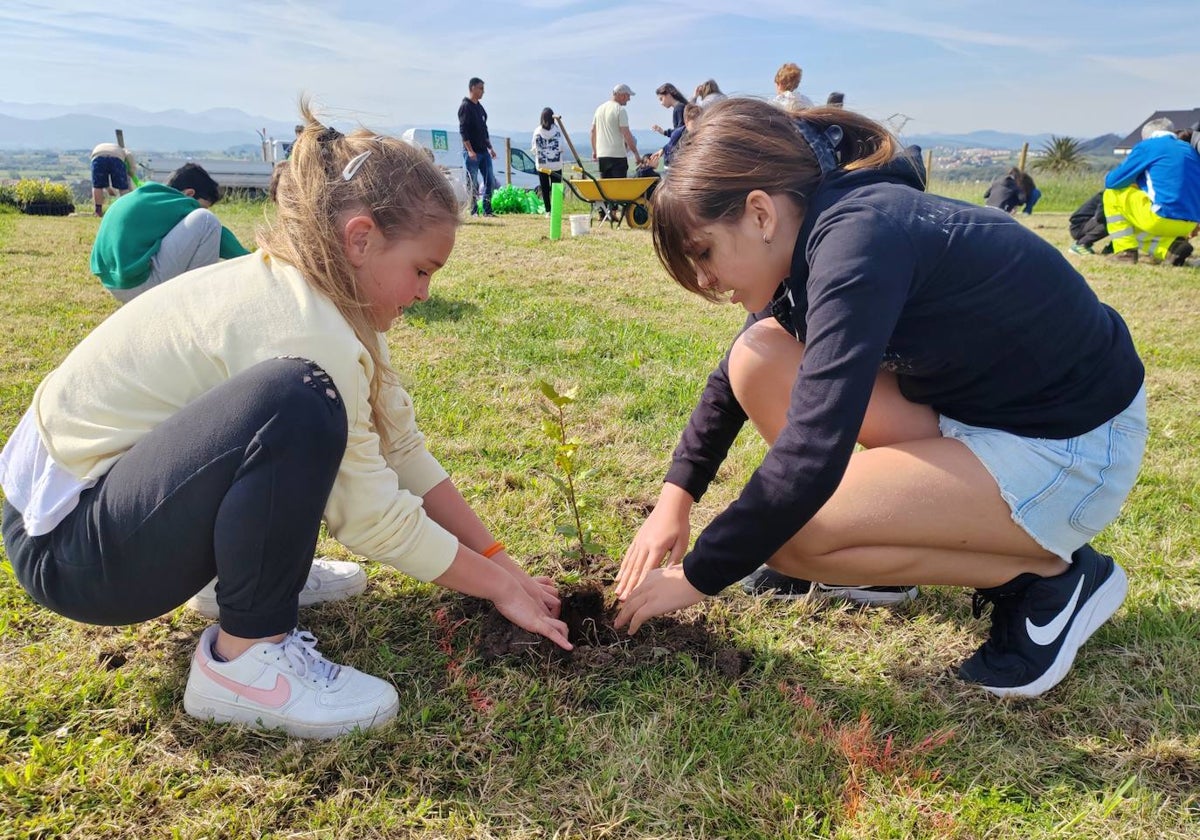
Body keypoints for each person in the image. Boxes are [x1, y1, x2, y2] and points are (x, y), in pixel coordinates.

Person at [0, 103, 572, 740]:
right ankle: (243, 663)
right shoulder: (303, 323)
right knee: (296, 400)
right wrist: (497, 587)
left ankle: (247, 584)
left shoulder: (325, 297)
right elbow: (373, 516)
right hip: (72, 548)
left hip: (99, 513)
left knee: (303, 403)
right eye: (420, 271)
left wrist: (498, 560)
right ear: (359, 238)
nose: (423, 295)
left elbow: (401, 449)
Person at [613, 100, 1146, 699]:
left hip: (1070, 450)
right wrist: (673, 502)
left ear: (759, 213)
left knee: (793, 538)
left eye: (704, 252)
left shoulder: (857, 241)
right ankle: (882, 568)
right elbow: (728, 387)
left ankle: (1052, 579)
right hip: (980, 412)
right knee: (757, 355)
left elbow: (814, 451)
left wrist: (697, 574)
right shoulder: (817, 230)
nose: (705, 280)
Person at [90, 163, 251, 303]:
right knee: (207, 221)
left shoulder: (150, 197)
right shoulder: (178, 201)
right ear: (189, 194)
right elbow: (220, 235)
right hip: (138, 284)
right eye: (202, 205)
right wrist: (252, 259)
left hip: (114, 283)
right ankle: (198, 300)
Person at [1103, 117, 1200, 266]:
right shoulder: (1189, 150)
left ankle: (1125, 252)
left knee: (1112, 194)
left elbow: (1113, 182)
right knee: (1133, 219)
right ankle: (1170, 249)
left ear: (1147, 136)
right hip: (1190, 224)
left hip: (1162, 218)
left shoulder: (1148, 146)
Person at [458, 76, 498, 217]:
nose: (483, 92)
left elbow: (484, 130)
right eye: (481, 88)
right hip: (472, 152)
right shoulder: (465, 107)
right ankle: (474, 210)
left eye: (483, 89)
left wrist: (490, 148)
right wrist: (469, 150)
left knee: (490, 180)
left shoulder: (480, 108)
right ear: (472, 88)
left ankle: (487, 210)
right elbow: (463, 131)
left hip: (484, 151)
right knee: (473, 183)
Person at [591, 83, 640, 178]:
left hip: (602, 156)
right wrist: (636, 153)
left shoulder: (599, 109)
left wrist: (595, 151)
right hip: (618, 156)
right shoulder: (620, 110)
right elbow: (626, 133)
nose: (629, 99)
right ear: (622, 95)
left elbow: (593, 131)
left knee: (606, 189)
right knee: (619, 189)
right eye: (628, 96)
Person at [531, 107, 565, 213]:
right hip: (556, 165)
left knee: (545, 188)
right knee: (557, 188)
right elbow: (562, 148)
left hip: (542, 165)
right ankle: (556, 210)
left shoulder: (537, 131)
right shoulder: (558, 131)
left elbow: (534, 149)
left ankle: (548, 211)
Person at [90, 142, 135, 217]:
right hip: (116, 159)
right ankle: (126, 209)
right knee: (123, 187)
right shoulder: (123, 150)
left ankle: (98, 211)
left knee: (97, 186)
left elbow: (102, 180)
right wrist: (132, 170)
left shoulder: (101, 147)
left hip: (98, 157)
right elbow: (129, 155)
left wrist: (108, 189)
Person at [1068, 191, 1111, 255]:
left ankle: (1110, 249)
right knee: (1112, 221)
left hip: (1083, 224)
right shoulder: (1107, 195)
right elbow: (1100, 217)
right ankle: (1081, 245)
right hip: (1078, 227)